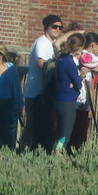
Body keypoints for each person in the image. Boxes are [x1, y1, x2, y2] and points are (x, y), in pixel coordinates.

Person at [20, 13, 64, 151]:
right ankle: (22, 150)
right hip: (35, 92)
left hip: (46, 92)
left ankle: (31, 149)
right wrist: (56, 66)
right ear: (47, 27)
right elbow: (41, 63)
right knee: (32, 124)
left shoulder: (54, 44)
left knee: (42, 126)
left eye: (60, 27)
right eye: (55, 27)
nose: (58, 29)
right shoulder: (41, 42)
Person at [70, 31, 98, 151]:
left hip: (74, 101)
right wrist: (90, 67)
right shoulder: (87, 56)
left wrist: (90, 68)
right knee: (77, 136)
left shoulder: (76, 55)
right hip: (80, 101)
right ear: (93, 44)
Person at [52, 33, 85, 154]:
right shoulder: (69, 62)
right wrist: (81, 75)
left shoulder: (61, 59)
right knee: (65, 135)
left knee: (60, 133)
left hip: (59, 98)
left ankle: (56, 152)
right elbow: (79, 84)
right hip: (67, 101)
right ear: (79, 47)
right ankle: (57, 153)